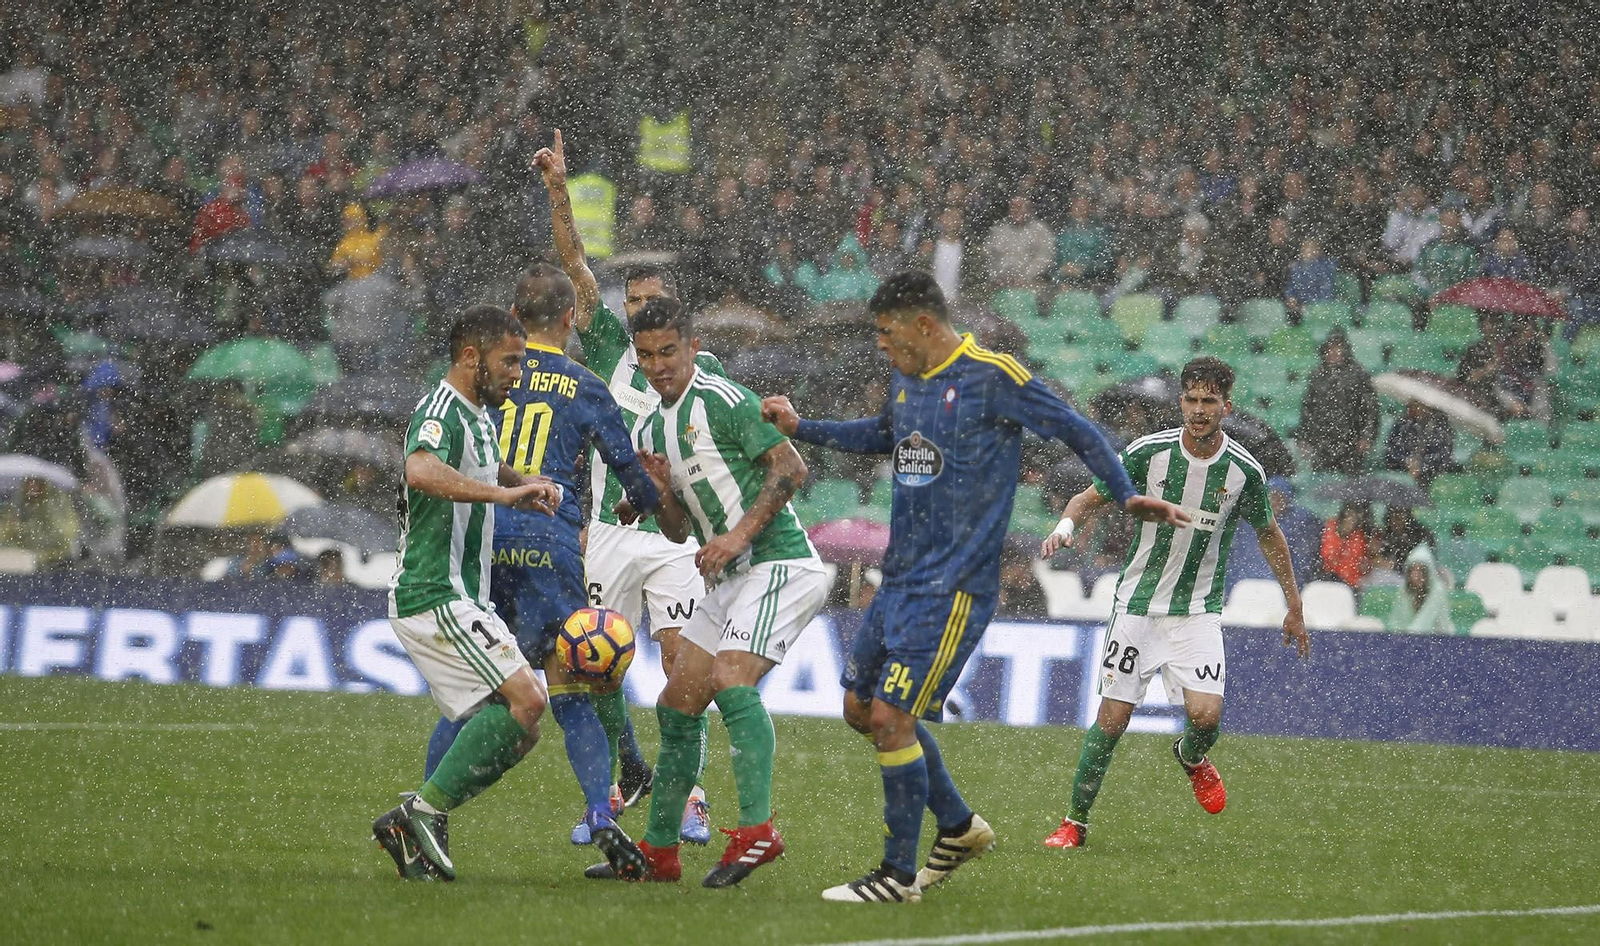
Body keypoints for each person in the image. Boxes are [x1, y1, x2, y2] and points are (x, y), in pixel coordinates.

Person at [762, 271, 1189, 902]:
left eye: (887, 332)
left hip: (954, 586)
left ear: (925, 325)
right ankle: (958, 827)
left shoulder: (993, 376)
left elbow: (1077, 428)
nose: (880, 345)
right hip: (900, 576)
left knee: (890, 716)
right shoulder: (909, 378)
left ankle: (896, 874)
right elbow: (883, 434)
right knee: (860, 710)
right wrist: (804, 429)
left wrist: (1123, 495)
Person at [416, 270, 662, 877]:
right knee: (573, 681)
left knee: (480, 694)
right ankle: (604, 811)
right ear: (572, 317)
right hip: (549, 538)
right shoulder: (584, 383)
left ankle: (432, 812)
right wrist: (646, 500)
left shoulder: (483, 382)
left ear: (512, 312)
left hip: (483, 541)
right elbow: (629, 471)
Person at [596, 295, 829, 889]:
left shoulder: (724, 400)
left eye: (668, 351)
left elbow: (792, 468)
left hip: (778, 562)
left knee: (731, 679)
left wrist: (734, 537)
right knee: (676, 706)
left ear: (693, 347)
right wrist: (657, 495)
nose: (657, 365)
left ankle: (757, 832)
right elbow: (675, 529)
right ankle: (660, 851)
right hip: (729, 577)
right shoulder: (649, 425)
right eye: (646, 355)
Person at [1037, 357, 1309, 850]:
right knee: (1112, 719)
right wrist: (1064, 529)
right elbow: (1085, 499)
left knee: (1206, 717)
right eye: (1192, 399)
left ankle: (1190, 757)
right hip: (1137, 607)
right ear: (1180, 401)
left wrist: (1294, 606)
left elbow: (1269, 535)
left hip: (1197, 611)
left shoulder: (1244, 471)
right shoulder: (1148, 453)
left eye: (1210, 401)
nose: (1199, 410)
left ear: (1227, 406)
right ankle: (1074, 823)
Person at [536, 129, 720, 846]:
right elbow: (573, 260)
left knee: (681, 666)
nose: (639, 309)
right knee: (591, 662)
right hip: (609, 535)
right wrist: (558, 192)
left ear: (676, 311)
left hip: (673, 538)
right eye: (632, 298)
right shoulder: (611, 346)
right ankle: (627, 776)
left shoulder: (703, 371)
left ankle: (692, 797)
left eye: (651, 300)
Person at [372, 305, 564, 882]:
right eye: (509, 362)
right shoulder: (439, 409)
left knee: (523, 728)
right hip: (434, 591)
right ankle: (421, 814)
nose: (517, 374)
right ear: (470, 357)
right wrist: (502, 498)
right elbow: (421, 470)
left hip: (464, 595)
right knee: (529, 701)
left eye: (522, 362)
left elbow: (481, 461)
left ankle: (415, 822)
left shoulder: (479, 413)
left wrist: (518, 482)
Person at [1298, 328, 1379, 475]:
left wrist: (1366, 436)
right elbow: (1307, 408)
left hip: (1350, 440)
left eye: (1337, 348)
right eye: (1330, 348)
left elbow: (1370, 410)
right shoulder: (1317, 374)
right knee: (1322, 483)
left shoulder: (1359, 374)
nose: (1333, 352)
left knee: (1350, 485)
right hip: (1321, 440)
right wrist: (1304, 437)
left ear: (1345, 350)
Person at [1386, 544, 1455, 634]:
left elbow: (1424, 624)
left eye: (1421, 571)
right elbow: (1397, 623)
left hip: (1438, 640)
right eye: (1413, 570)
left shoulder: (1437, 591)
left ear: (1428, 573)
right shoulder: (1404, 589)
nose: (1416, 575)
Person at [1321, 501, 1374, 587]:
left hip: (1353, 582)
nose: (1351, 522)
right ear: (1342, 518)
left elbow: (1361, 559)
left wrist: (1365, 566)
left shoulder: (1358, 535)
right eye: (1348, 518)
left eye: (1354, 519)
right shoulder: (1331, 529)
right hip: (1332, 579)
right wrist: (1342, 538)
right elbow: (1328, 557)